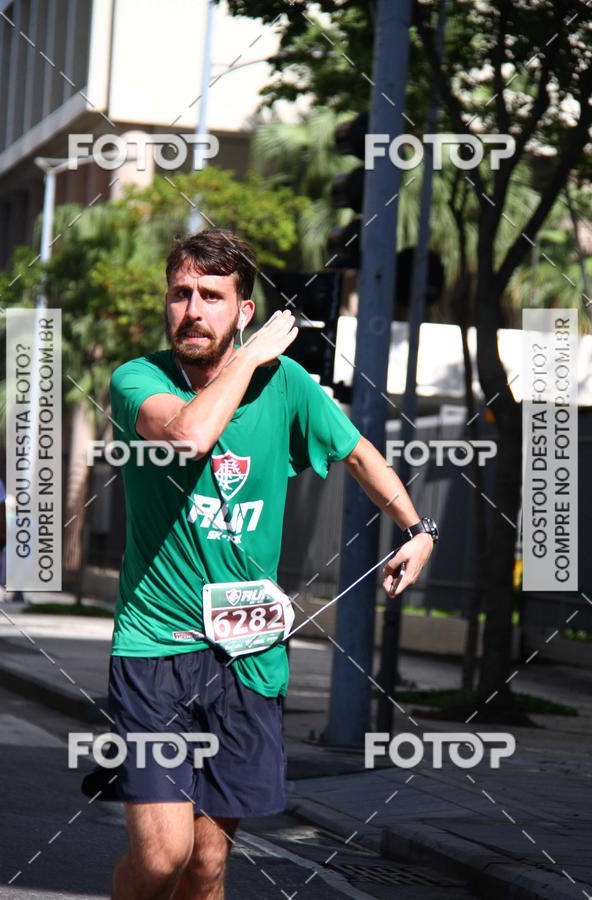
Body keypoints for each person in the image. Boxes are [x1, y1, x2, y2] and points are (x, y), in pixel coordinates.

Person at [105, 228, 437, 900]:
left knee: (207, 863)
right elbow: (191, 434)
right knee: (165, 853)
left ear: (244, 309)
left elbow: (359, 453)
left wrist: (418, 527)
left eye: (211, 296)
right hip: (153, 650)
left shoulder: (287, 387)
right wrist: (249, 360)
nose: (192, 309)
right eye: (180, 294)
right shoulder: (137, 380)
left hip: (247, 655)